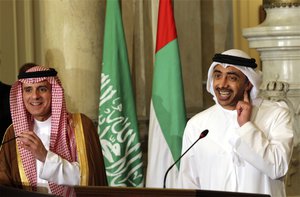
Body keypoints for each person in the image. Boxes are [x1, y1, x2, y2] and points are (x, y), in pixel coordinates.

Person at [178, 49, 294, 197]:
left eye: (232, 78)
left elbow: (278, 167)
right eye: (218, 76)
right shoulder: (197, 125)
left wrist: (246, 127)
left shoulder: (275, 115)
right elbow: (188, 183)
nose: (222, 84)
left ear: (248, 84)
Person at [0, 65, 107, 196]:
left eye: (42, 89)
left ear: (54, 92)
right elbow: (5, 180)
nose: (35, 96)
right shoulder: (14, 132)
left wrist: (45, 156)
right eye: (28, 90)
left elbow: (88, 178)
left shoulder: (80, 126)